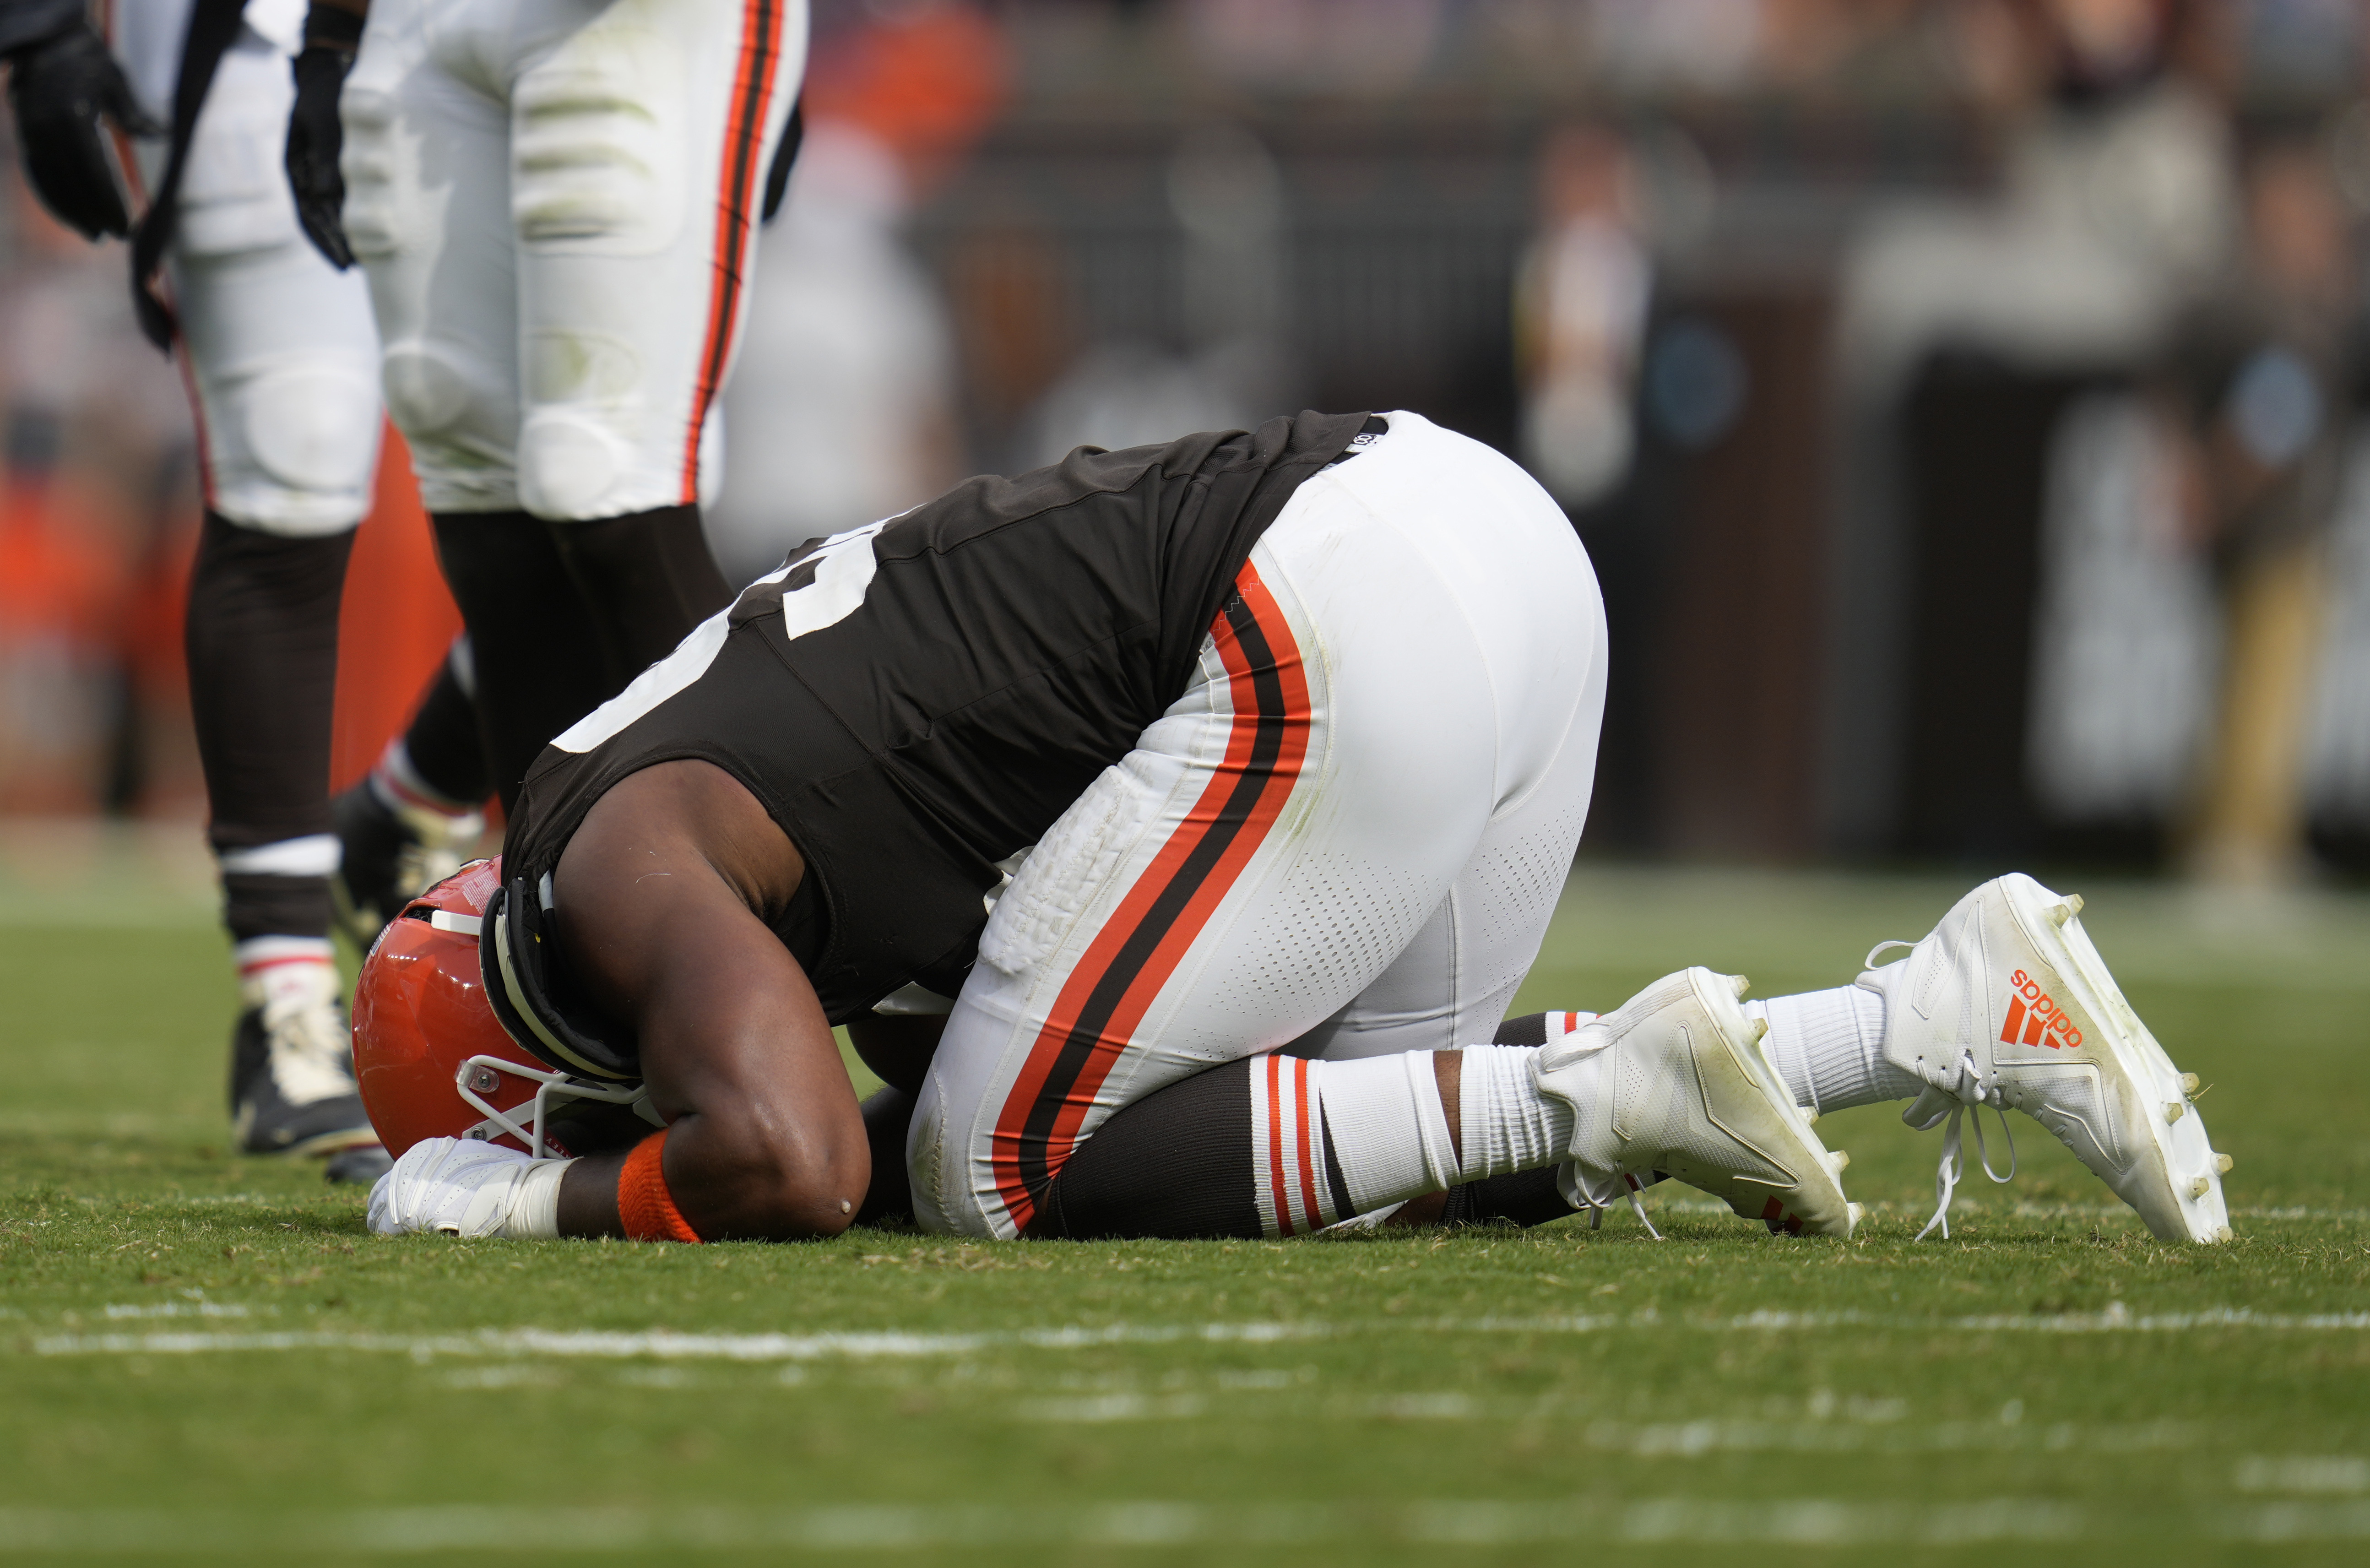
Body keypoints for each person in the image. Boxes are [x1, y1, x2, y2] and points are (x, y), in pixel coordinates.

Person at [355, 411, 2233, 1246]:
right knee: (1331, 1154)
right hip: (1472, 552)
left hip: (1323, 610)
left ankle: (1623, 1088)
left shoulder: (600, 867)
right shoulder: (689, 785)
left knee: (993, 1171)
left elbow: (796, 1160)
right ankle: (1920, 1018)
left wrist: (530, 1200)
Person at [3, 0, 387, 1177]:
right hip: (244, 26)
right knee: (297, 453)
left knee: (572, 473)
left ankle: (421, 802)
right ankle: (287, 1004)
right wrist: (41, 18)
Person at [281, 0, 807, 827]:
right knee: (482, 512)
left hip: (619, 10)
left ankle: (797, 897)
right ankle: (555, 920)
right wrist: (331, 30)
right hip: (411, 16)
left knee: (606, 480)